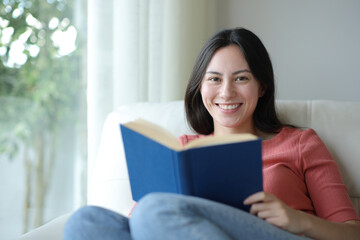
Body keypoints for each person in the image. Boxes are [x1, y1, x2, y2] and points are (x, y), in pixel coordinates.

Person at [64, 28, 360, 240]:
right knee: (86, 221)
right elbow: (139, 224)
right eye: (214, 79)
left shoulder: (300, 142)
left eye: (241, 78)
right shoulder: (183, 150)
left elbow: (351, 232)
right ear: (201, 88)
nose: (226, 92)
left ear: (262, 87)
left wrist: (297, 220)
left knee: (155, 209)